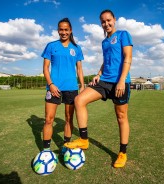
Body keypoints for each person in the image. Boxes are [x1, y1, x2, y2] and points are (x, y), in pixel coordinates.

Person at [64, 9, 133, 168]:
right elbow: (106, 60)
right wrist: (99, 73)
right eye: (103, 21)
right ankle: (83, 139)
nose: (106, 23)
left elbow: (128, 57)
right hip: (104, 81)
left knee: (121, 117)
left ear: (114, 20)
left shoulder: (123, 35)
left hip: (120, 82)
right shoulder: (104, 42)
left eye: (108, 20)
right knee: (79, 100)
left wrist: (122, 80)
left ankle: (122, 153)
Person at [41, 18, 85, 154]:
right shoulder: (51, 46)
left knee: (68, 119)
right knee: (49, 119)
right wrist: (51, 84)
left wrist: (82, 85)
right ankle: (46, 150)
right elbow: (45, 68)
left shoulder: (76, 48)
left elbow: (79, 69)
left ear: (70, 30)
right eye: (61, 29)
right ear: (58, 30)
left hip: (71, 88)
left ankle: (66, 146)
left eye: (66, 29)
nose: (63, 32)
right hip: (54, 88)